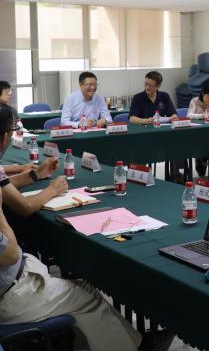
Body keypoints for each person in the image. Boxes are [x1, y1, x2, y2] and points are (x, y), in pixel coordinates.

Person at [0, 104, 174, 351]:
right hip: (10, 293)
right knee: (90, 301)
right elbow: (9, 252)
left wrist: (35, 175)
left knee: (83, 288)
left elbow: (6, 186)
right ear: (6, 137)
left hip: (15, 280)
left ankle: (133, 343)